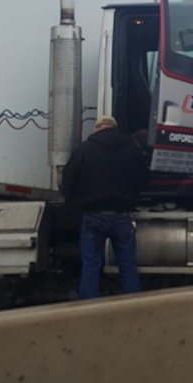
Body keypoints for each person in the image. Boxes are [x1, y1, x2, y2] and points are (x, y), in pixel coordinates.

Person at [62, 115, 146, 298]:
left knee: (91, 267)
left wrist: (74, 203)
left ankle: (90, 312)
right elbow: (142, 178)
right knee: (128, 267)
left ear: (96, 129)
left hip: (93, 216)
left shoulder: (83, 149)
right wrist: (133, 199)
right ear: (114, 128)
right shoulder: (132, 148)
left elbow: (67, 180)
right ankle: (135, 309)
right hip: (122, 216)